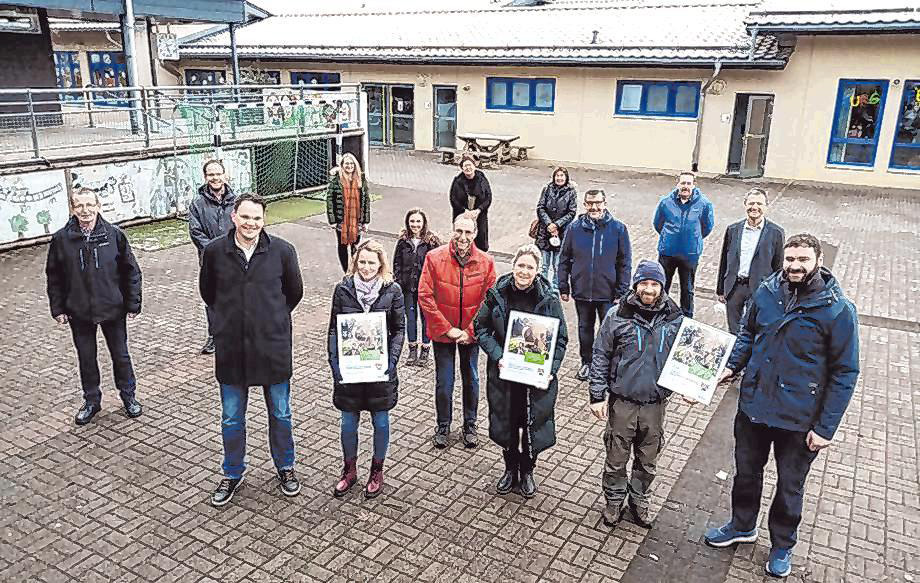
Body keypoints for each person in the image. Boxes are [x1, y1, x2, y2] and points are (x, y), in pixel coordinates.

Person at [704, 234, 860, 578]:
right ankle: (742, 525)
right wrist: (729, 367)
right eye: (790, 259)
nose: (795, 266)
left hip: (799, 419)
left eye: (803, 259)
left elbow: (846, 372)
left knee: (790, 487)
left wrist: (825, 428)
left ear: (818, 261)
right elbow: (747, 334)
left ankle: (782, 545)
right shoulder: (768, 291)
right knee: (746, 474)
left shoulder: (837, 309)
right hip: (754, 408)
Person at [199, 193, 305, 507]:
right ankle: (232, 472)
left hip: (272, 347)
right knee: (232, 418)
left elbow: (293, 294)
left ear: (264, 220)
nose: (251, 224)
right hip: (232, 348)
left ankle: (285, 467)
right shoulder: (215, 251)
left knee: (281, 414)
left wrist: (268, 319)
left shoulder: (283, 251)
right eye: (245, 217)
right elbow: (208, 293)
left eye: (257, 218)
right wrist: (229, 321)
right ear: (234, 216)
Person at [588, 260, 683, 529]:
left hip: (655, 404)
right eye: (644, 283)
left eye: (654, 284)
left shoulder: (675, 317)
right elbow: (600, 355)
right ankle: (614, 500)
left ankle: (639, 500)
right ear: (636, 285)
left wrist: (691, 388)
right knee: (616, 457)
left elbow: (686, 358)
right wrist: (597, 395)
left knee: (648, 460)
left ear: (662, 286)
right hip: (623, 402)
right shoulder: (617, 315)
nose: (649, 289)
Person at [475, 244, 567, 498]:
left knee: (532, 424)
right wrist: (498, 356)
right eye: (520, 265)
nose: (524, 271)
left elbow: (560, 340)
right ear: (513, 266)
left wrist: (551, 369)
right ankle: (509, 468)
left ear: (537, 270)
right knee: (507, 422)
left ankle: (527, 471)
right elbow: (480, 328)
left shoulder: (549, 299)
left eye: (530, 267)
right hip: (505, 375)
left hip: (535, 377)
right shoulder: (497, 294)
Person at [46, 188, 144, 425]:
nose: (85, 210)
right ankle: (92, 401)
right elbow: (54, 276)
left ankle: (129, 396)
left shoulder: (114, 235)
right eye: (79, 206)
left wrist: (133, 303)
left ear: (99, 206)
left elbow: (130, 271)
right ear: (72, 209)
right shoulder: (61, 239)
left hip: (113, 308)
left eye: (90, 205)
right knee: (86, 357)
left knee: (120, 356)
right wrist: (58, 309)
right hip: (79, 310)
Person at [328, 240, 405, 499]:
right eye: (362, 261)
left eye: (372, 262)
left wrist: (390, 362)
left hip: (379, 371)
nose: (366, 267)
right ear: (355, 262)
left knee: (380, 422)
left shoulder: (392, 290)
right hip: (350, 371)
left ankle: (377, 470)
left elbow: (399, 330)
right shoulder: (343, 290)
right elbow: (333, 330)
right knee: (348, 423)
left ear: (381, 264)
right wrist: (335, 364)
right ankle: (349, 470)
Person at [418, 213, 496, 449]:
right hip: (444, 332)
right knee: (444, 381)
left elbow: (489, 301)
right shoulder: (434, 258)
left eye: (468, 232)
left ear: (475, 234)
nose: (463, 237)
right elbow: (425, 295)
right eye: (459, 231)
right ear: (453, 230)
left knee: (471, 378)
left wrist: (469, 331)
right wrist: (447, 329)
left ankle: (470, 424)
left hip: (470, 334)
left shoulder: (486, 262)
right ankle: (443, 425)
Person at [558, 189, 632, 381]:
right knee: (585, 329)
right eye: (590, 203)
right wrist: (563, 285)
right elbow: (564, 258)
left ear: (605, 203)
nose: (594, 207)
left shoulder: (618, 229)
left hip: (608, 292)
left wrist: (622, 291)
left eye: (598, 203)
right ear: (585, 205)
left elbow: (625, 262)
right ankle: (587, 363)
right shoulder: (574, 229)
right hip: (582, 290)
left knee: (609, 331)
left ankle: (608, 365)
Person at [716, 188, 785, 333]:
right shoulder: (733, 230)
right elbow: (724, 260)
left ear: (766, 206)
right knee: (733, 329)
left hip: (759, 289)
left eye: (759, 204)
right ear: (745, 205)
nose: (755, 207)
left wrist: (776, 295)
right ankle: (735, 352)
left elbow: (778, 268)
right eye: (751, 203)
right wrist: (721, 289)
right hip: (735, 287)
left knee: (754, 328)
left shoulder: (776, 233)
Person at [188, 159, 237, 355]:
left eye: (218, 174)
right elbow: (195, 232)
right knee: (213, 300)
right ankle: (214, 336)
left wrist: (233, 249)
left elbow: (243, 228)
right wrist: (215, 251)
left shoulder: (237, 201)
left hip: (236, 258)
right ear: (205, 177)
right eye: (211, 174)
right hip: (210, 261)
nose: (215, 178)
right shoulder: (197, 204)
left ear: (225, 175)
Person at [652, 170, 715, 317]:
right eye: (683, 183)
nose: (685, 186)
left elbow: (707, 227)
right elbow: (658, 224)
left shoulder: (704, 204)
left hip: (690, 254)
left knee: (687, 288)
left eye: (688, 183)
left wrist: (693, 239)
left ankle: (687, 317)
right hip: (667, 252)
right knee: (662, 285)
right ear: (677, 184)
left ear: (694, 185)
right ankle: (659, 313)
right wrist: (669, 237)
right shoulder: (665, 202)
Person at [392, 208, 441, 367]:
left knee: (426, 320)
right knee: (410, 319)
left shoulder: (431, 242)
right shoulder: (403, 241)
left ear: (424, 223)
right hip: (407, 288)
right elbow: (397, 263)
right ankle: (412, 349)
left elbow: (437, 265)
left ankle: (425, 351)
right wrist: (398, 281)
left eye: (418, 221)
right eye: (412, 221)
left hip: (425, 289)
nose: (415, 224)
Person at [535, 166, 577, 293]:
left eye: (562, 176)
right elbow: (540, 207)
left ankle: (554, 289)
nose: (559, 178)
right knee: (544, 264)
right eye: (557, 176)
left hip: (562, 232)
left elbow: (571, 212)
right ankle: (542, 287)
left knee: (558, 265)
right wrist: (549, 224)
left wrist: (557, 225)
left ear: (566, 177)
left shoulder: (571, 192)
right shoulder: (547, 189)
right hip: (545, 232)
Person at [326, 152, 370, 272]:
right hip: (341, 220)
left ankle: (355, 270)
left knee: (356, 246)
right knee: (342, 245)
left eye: (351, 163)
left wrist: (366, 221)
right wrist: (333, 220)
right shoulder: (336, 180)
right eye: (346, 164)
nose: (349, 166)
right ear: (342, 165)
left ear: (355, 165)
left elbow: (366, 201)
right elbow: (330, 200)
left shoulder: (361, 179)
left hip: (357, 220)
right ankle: (346, 271)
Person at [449, 154, 492, 252]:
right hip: (462, 214)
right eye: (465, 166)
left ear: (474, 166)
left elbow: (488, 198)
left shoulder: (482, 178)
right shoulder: (458, 181)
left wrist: (478, 210)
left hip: (479, 215)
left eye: (470, 165)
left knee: (480, 239)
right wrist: (465, 211)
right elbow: (453, 199)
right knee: (462, 238)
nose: (468, 168)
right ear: (462, 168)